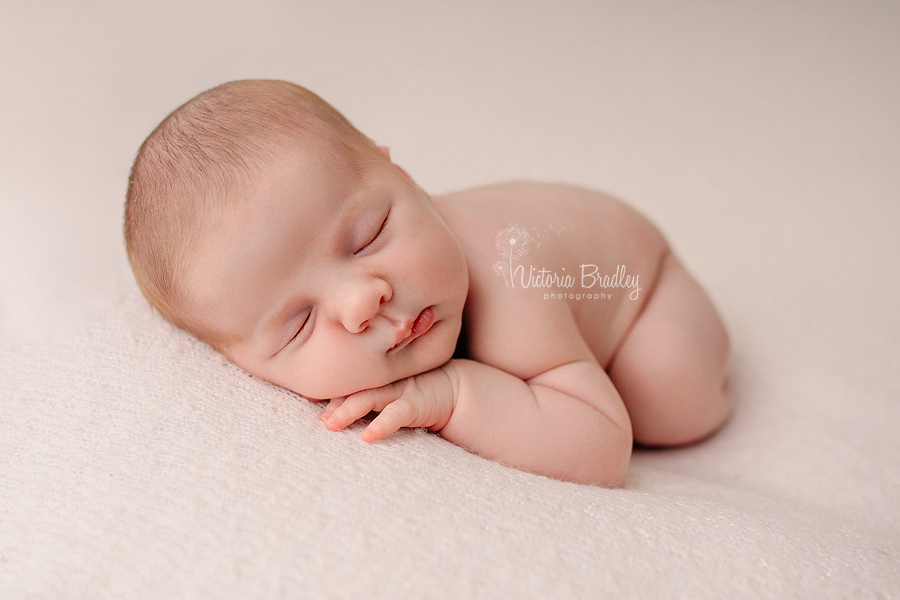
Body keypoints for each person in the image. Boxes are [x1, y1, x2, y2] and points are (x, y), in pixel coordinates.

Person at [124, 80, 732, 487]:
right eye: (299, 323)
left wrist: (454, 395)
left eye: (370, 234)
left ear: (404, 175)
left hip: (636, 286)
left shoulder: (507, 281)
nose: (364, 300)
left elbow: (603, 446)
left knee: (666, 399)